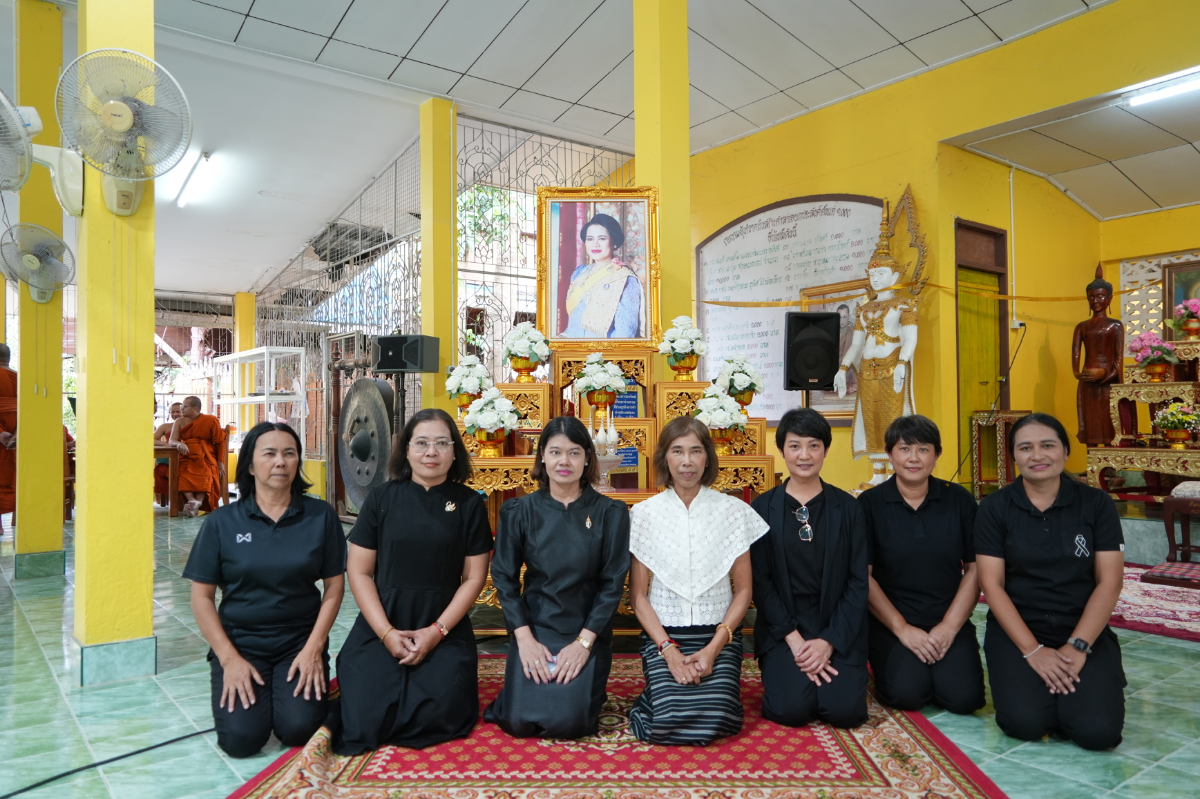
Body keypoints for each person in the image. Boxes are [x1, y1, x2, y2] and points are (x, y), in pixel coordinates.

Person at [331, 408, 492, 754]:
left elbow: (473, 578)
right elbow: (358, 571)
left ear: (454, 451)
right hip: (384, 619)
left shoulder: (469, 504)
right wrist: (387, 633)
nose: (430, 452)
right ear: (405, 450)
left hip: (443, 623)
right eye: (421, 443)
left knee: (442, 714)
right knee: (363, 714)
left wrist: (436, 632)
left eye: (440, 443)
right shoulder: (381, 499)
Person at [184, 422, 345, 758]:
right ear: (250, 464)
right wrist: (229, 659)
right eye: (269, 454)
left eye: (289, 453)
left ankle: (309, 696)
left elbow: (334, 586)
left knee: (298, 730)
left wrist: (314, 648)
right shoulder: (222, 522)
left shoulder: (320, 516)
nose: (280, 462)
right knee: (241, 741)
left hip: (299, 642)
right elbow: (201, 597)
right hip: (241, 644)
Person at [976, 412, 1126, 751]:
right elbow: (992, 585)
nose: (1037, 455)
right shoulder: (994, 508)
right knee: (1024, 724)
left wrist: (1079, 646)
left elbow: (1110, 582)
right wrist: (1033, 652)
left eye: (1048, 445)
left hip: (1082, 627)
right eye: (1025, 448)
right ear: (1014, 457)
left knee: (1098, 733)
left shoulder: (1096, 504)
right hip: (1019, 630)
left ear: (1066, 451)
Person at [484, 416, 630, 739]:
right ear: (543, 458)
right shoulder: (519, 512)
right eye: (555, 452)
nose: (564, 461)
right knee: (518, 722)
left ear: (588, 458)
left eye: (574, 452)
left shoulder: (611, 513)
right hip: (535, 628)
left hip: (585, 631)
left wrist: (583, 643)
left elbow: (612, 584)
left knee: (569, 724)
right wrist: (524, 639)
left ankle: (587, 688)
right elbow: (504, 578)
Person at [627, 416, 767, 745]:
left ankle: (714, 689)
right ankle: (657, 693)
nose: (687, 461)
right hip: (665, 637)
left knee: (717, 715)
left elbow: (744, 589)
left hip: (719, 634)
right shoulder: (644, 514)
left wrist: (714, 649)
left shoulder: (733, 511)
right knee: (669, 717)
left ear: (708, 458)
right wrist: (669, 652)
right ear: (665, 458)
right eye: (677, 451)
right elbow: (638, 596)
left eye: (695, 451)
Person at [750, 407, 869, 729]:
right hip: (784, 627)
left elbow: (859, 582)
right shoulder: (762, 507)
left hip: (837, 622)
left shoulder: (849, 508)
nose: (804, 455)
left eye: (814, 445)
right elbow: (760, 582)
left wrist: (828, 641)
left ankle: (833, 665)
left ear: (826, 450)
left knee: (845, 713)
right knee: (791, 710)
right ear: (782, 450)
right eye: (795, 445)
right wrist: (794, 640)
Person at [858, 415, 984, 715]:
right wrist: (902, 629)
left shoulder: (959, 500)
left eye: (923, 449)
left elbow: (976, 567)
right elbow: (864, 576)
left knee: (964, 699)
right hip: (893, 622)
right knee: (908, 695)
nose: (913, 458)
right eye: (904, 449)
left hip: (947, 618)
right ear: (890, 454)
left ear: (937, 455)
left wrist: (949, 627)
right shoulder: (869, 504)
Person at [561, 213, 644, 339]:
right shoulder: (579, 273)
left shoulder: (625, 277)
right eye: (590, 239)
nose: (595, 244)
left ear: (614, 242)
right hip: (572, 350)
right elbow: (574, 321)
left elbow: (625, 333)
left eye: (602, 238)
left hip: (602, 354)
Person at [1071, 265, 1124, 446]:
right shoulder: (1082, 326)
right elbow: (1076, 352)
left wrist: (1106, 375)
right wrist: (1077, 373)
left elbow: (1119, 358)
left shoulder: (1115, 325)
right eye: (1091, 297)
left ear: (1110, 298)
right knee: (1090, 421)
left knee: (1109, 421)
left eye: (1101, 296)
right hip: (1087, 379)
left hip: (1108, 377)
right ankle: (1093, 464)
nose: (1096, 301)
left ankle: (1109, 467)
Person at [169, 396, 227, 517]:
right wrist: (180, 443)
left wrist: (220, 463)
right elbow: (172, 441)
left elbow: (220, 442)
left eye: (184, 407)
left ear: (195, 408)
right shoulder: (179, 421)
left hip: (206, 455)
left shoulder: (210, 420)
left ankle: (196, 503)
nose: (181, 409)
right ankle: (193, 501)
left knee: (207, 473)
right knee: (181, 473)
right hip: (187, 456)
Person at [154, 402, 183, 505]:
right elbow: (150, 439)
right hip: (170, 460)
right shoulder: (166, 426)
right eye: (173, 412)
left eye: (178, 411)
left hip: (186, 459)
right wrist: (163, 443)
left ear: (184, 411)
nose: (175, 414)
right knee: (160, 469)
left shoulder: (191, 425)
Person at [0, 343, 16, 517]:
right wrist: (17, 434)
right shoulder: (20, 379)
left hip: (2, 435)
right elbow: (27, 410)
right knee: (11, 477)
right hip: (15, 437)